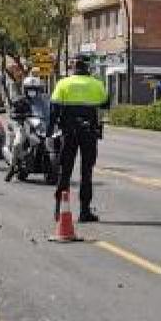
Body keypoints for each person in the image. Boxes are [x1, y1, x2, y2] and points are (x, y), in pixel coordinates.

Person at [49, 56, 108, 223]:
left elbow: (53, 110)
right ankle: (84, 212)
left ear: (73, 67)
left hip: (68, 133)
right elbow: (105, 103)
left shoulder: (63, 83)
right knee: (86, 173)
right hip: (89, 132)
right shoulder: (96, 84)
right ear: (88, 68)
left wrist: (49, 132)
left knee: (65, 171)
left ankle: (59, 210)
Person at [5, 76, 48, 182]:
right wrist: (17, 115)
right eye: (30, 88)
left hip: (41, 125)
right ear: (25, 89)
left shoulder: (43, 101)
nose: (32, 91)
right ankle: (12, 166)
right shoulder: (20, 100)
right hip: (25, 125)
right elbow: (13, 112)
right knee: (17, 144)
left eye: (35, 88)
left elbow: (49, 110)